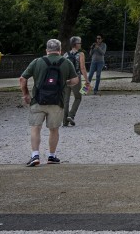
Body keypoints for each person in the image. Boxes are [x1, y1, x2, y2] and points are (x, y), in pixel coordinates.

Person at [18, 38, 78, 166]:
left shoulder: (37, 62)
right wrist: (65, 83)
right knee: (54, 129)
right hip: (57, 102)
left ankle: (35, 156)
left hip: (38, 101)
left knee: (35, 128)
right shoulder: (66, 62)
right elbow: (75, 81)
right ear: (60, 50)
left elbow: (22, 79)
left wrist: (26, 94)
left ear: (47, 50)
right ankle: (52, 156)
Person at [63, 36, 88, 126]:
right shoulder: (80, 54)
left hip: (66, 79)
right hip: (76, 78)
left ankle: (64, 121)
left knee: (66, 100)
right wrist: (87, 80)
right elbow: (82, 68)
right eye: (80, 43)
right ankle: (71, 115)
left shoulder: (65, 55)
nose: (81, 44)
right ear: (75, 44)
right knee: (78, 97)